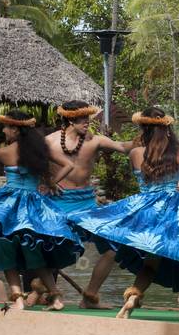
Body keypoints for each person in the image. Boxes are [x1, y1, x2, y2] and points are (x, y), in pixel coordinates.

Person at [71, 108, 179, 323]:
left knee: (150, 263)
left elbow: (145, 182)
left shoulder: (135, 154)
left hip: (147, 211)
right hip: (175, 211)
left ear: (143, 128)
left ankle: (132, 300)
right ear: (166, 128)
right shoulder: (176, 152)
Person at [0, 111, 84, 311]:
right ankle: (56, 297)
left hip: (9, 208)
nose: (4, 131)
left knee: (4, 253)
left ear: (15, 129)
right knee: (36, 255)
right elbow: (68, 165)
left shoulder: (2, 152)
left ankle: (19, 301)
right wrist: (50, 184)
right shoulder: (40, 150)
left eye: (6, 127)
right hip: (34, 207)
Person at [44, 100, 134, 308]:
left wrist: (143, 139)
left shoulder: (95, 141)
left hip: (87, 204)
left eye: (88, 117)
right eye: (83, 119)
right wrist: (44, 182)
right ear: (70, 119)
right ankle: (47, 292)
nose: (87, 122)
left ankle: (89, 296)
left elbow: (122, 147)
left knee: (112, 248)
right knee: (50, 249)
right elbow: (31, 162)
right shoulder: (49, 141)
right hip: (58, 202)